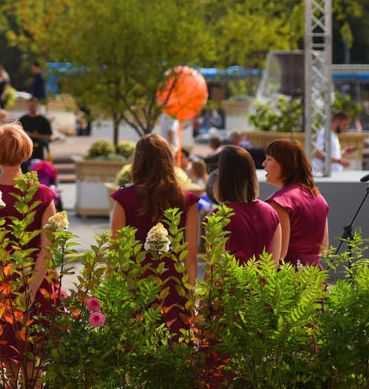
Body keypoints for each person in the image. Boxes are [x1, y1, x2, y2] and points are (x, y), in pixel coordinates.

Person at [0, 124, 57, 372]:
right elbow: (48, 250)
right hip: (38, 282)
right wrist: (31, 289)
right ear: (26, 151)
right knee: (35, 366)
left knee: (5, 364)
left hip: (0, 285)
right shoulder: (43, 195)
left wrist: (1, 288)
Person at [110, 133, 199, 332]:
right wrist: (191, 300)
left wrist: (109, 296)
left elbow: (115, 254)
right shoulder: (187, 201)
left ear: (138, 162)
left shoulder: (124, 199)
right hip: (173, 286)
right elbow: (191, 259)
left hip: (134, 284)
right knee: (173, 352)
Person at [263, 139, 330, 268]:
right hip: (315, 278)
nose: (264, 164)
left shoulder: (280, 202)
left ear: (285, 164)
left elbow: (278, 255)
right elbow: (323, 250)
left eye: (269, 159)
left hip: (288, 279)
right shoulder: (319, 198)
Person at [210, 145, 280, 262]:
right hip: (264, 280)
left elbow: (216, 270)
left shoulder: (217, 217)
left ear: (222, 178)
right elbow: (275, 263)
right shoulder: (271, 213)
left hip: (232, 280)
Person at [18, 97, 52, 165]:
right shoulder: (22, 119)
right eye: (30, 106)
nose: (31, 107)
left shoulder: (43, 120)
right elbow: (17, 133)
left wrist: (37, 136)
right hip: (25, 150)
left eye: (33, 106)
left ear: (37, 106)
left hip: (39, 149)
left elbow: (49, 135)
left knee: (38, 168)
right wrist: (25, 134)